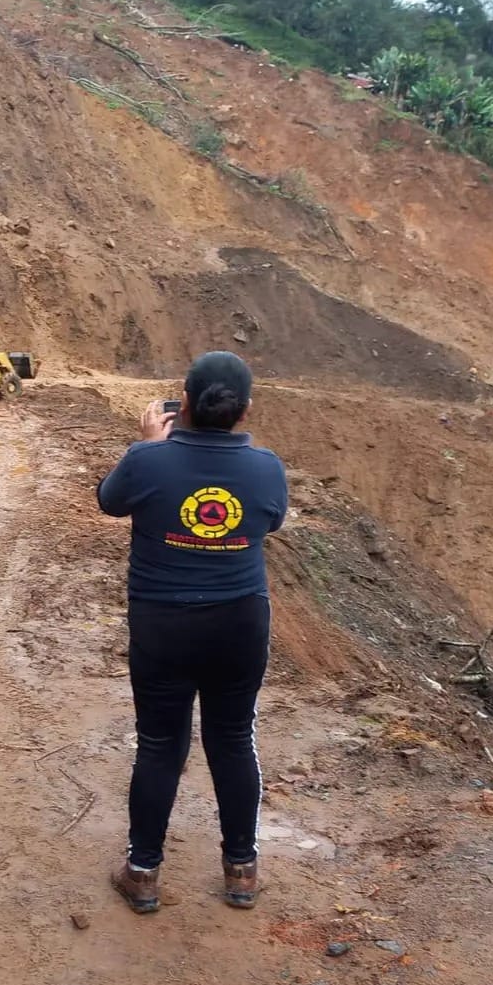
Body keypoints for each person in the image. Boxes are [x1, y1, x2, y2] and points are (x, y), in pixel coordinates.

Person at [97, 351, 287, 913]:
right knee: (232, 740)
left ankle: (143, 872)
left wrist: (153, 447)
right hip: (239, 621)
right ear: (245, 410)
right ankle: (242, 871)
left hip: (162, 622)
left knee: (159, 745)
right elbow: (270, 520)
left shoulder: (146, 459)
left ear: (183, 401)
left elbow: (109, 502)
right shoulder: (266, 467)